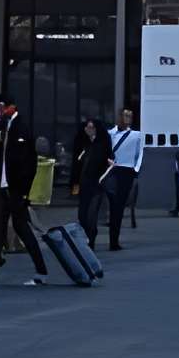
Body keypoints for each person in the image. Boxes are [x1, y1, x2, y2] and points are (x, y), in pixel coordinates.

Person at [0, 99, 49, 285]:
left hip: (14, 188)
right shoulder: (4, 127)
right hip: (5, 186)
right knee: (0, 229)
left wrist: (24, 192)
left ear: (11, 107)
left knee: (21, 228)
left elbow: (27, 163)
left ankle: (41, 270)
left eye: (0, 107)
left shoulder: (21, 128)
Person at [104, 107, 145, 250]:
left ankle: (113, 241)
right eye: (125, 115)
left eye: (130, 116)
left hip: (127, 172)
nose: (127, 118)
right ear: (119, 117)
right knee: (110, 204)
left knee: (119, 207)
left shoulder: (137, 135)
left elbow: (140, 154)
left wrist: (136, 170)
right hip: (111, 170)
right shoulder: (109, 134)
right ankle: (98, 239)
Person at [69, 118, 113, 245]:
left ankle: (91, 239)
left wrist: (102, 178)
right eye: (87, 127)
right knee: (82, 215)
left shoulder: (102, 144)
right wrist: (74, 183)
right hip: (84, 184)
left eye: (91, 127)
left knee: (91, 215)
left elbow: (108, 161)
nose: (89, 130)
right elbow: (76, 165)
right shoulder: (82, 143)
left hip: (96, 185)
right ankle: (89, 236)